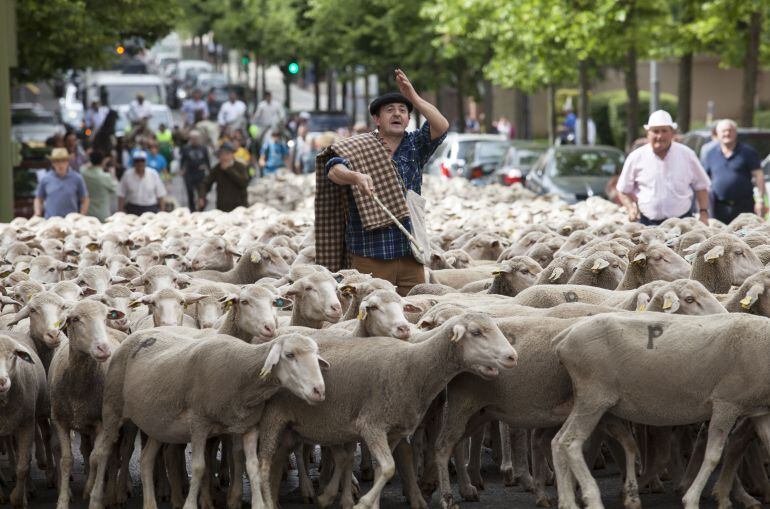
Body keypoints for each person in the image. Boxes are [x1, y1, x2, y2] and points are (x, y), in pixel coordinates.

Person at [318, 68, 449, 296]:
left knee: (414, 314)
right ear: (377, 119)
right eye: (389, 110)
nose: (397, 114)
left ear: (408, 119)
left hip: (410, 250)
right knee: (372, 314)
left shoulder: (415, 145)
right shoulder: (359, 146)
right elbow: (333, 170)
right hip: (370, 254)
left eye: (402, 110)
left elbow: (441, 125)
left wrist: (414, 97)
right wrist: (356, 176)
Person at [616, 110, 711, 226]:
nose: (660, 136)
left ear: (672, 133)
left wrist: (704, 213)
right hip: (647, 223)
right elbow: (623, 190)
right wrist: (630, 208)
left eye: (664, 131)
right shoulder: (636, 157)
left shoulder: (687, 155)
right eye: (655, 131)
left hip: (682, 223)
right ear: (648, 133)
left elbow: (701, 186)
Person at [702, 119, 766, 223]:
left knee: (744, 237)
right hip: (719, 208)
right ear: (717, 134)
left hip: (744, 207)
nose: (727, 133)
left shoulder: (748, 152)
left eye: (730, 130)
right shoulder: (710, 154)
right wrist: (703, 207)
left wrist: (760, 200)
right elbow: (704, 181)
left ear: (735, 132)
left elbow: (759, 175)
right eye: (724, 131)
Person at [34, 148, 90, 218]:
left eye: (63, 161)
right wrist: (37, 214)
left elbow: (85, 199)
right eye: (57, 161)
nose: (60, 164)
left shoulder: (77, 178)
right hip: (50, 221)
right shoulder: (45, 179)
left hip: (71, 222)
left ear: (67, 162)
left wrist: (82, 216)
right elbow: (39, 199)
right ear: (52, 163)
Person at [198, 142, 250, 212]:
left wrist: (229, 170)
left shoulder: (240, 166)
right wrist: (202, 196)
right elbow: (206, 183)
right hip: (223, 208)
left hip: (239, 208)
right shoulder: (217, 168)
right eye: (221, 155)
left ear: (232, 154)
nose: (224, 157)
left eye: (227, 154)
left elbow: (244, 183)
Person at [117, 150, 166, 215]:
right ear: (134, 162)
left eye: (142, 160)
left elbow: (161, 194)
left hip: (150, 209)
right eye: (137, 161)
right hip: (132, 209)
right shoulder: (127, 175)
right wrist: (120, 212)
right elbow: (121, 194)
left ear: (145, 161)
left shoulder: (153, 174)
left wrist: (162, 213)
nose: (140, 163)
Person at [80, 150, 117, 222]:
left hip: (88, 212)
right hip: (102, 214)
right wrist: (113, 173)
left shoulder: (84, 172)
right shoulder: (106, 177)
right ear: (102, 161)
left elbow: (83, 167)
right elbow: (114, 187)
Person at [179, 130, 211, 210]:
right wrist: (182, 169)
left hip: (200, 173)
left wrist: (209, 171)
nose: (194, 140)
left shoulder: (203, 148)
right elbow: (182, 160)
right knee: (190, 193)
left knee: (202, 193)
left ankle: (201, 209)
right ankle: (192, 210)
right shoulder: (186, 148)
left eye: (196, 138)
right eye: (193, 138)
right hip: (189, 173)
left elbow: (207, 160)